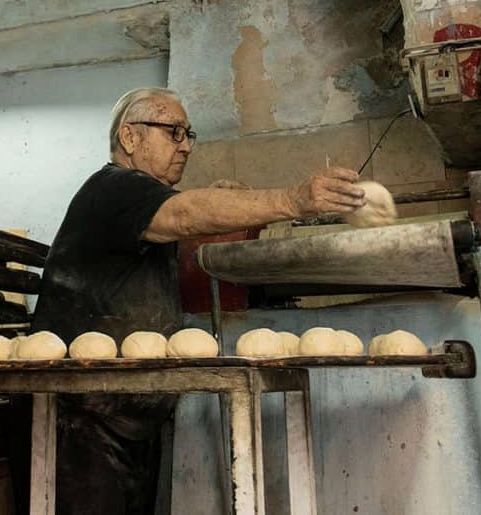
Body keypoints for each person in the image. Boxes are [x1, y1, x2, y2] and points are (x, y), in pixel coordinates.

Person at [28, 87, 365, 514]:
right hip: (80, 419)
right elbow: (184, 214)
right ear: (130, 138)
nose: (185, 145)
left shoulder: (136, 199)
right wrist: (292, 200)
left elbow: (178, 218)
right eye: (173, 132)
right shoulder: (114, 187)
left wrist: (225, 199)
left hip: (125, 418)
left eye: (189, 134)